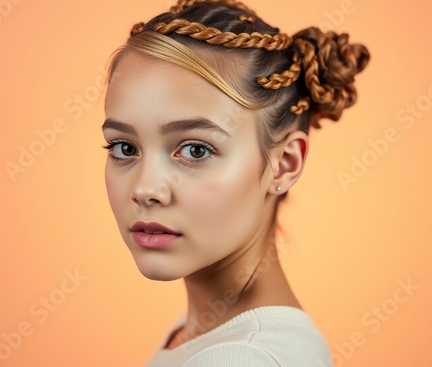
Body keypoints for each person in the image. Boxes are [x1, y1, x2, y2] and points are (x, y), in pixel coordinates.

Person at [101, 0, 369, 365]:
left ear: (284, 165)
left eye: (195, 150)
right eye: (125, 147)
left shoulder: (243, 357)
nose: (145, 189)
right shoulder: (209, 335)